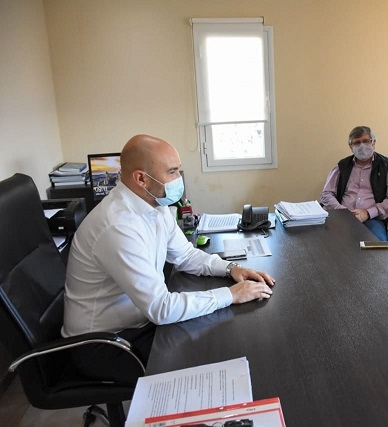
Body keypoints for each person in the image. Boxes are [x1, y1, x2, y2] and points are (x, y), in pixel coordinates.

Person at [62, 134, 275, 383]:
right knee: (205, 360)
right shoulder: (117, 226)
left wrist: (230, 268)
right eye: (172, 172)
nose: (179, 179)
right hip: (103, 344)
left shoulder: (155, 205)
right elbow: (161, 308)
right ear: (141, 179)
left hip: (138, 321)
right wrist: (231, 295)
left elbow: (185, 255)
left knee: (216, 333)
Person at [320, 125, 388, 241]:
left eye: (366, 141)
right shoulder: (341, 167)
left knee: (377, 245)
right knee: (325, 242)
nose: (362, 146)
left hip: (373, 219)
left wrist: (368, 213)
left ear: (373, 142)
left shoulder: (387, 167)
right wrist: (342, 211)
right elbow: (326, 194)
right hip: (342, 217)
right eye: (357, 143)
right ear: (351, 147)